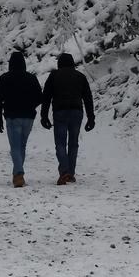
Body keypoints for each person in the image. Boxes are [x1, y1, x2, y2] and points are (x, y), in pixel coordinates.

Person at [39, 52, 95, 185]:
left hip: (60, 112)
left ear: (59, 64)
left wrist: (44, 116)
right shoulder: (80, 76)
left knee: (60, 143)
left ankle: (64, 171)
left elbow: (46, 97)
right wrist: (91, 117)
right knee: (73, 143)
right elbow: (87, 98)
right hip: (76, 112)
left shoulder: (54, 76)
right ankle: (70, 172)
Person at [0, 50, 43, 187]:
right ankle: (17, 175)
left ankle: (19, 174)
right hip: (28, 117)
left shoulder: (4, 78)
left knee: (15, 146)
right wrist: (30, 105)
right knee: (22, 146)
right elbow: (40, 97)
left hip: (12, 116)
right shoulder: (31, 78)